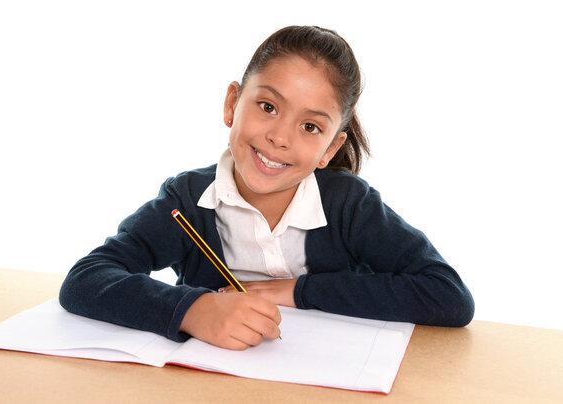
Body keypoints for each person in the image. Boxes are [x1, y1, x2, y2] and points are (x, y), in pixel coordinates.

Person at [59, 25, 474, 351]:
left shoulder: (349, 205)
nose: (280, 137)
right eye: (268, 107)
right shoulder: (187, 201)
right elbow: (86, 279)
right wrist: (193, 311)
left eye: (309, 127)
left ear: (330, 148)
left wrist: (298, 290)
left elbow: (448, 296)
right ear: (231, 104)